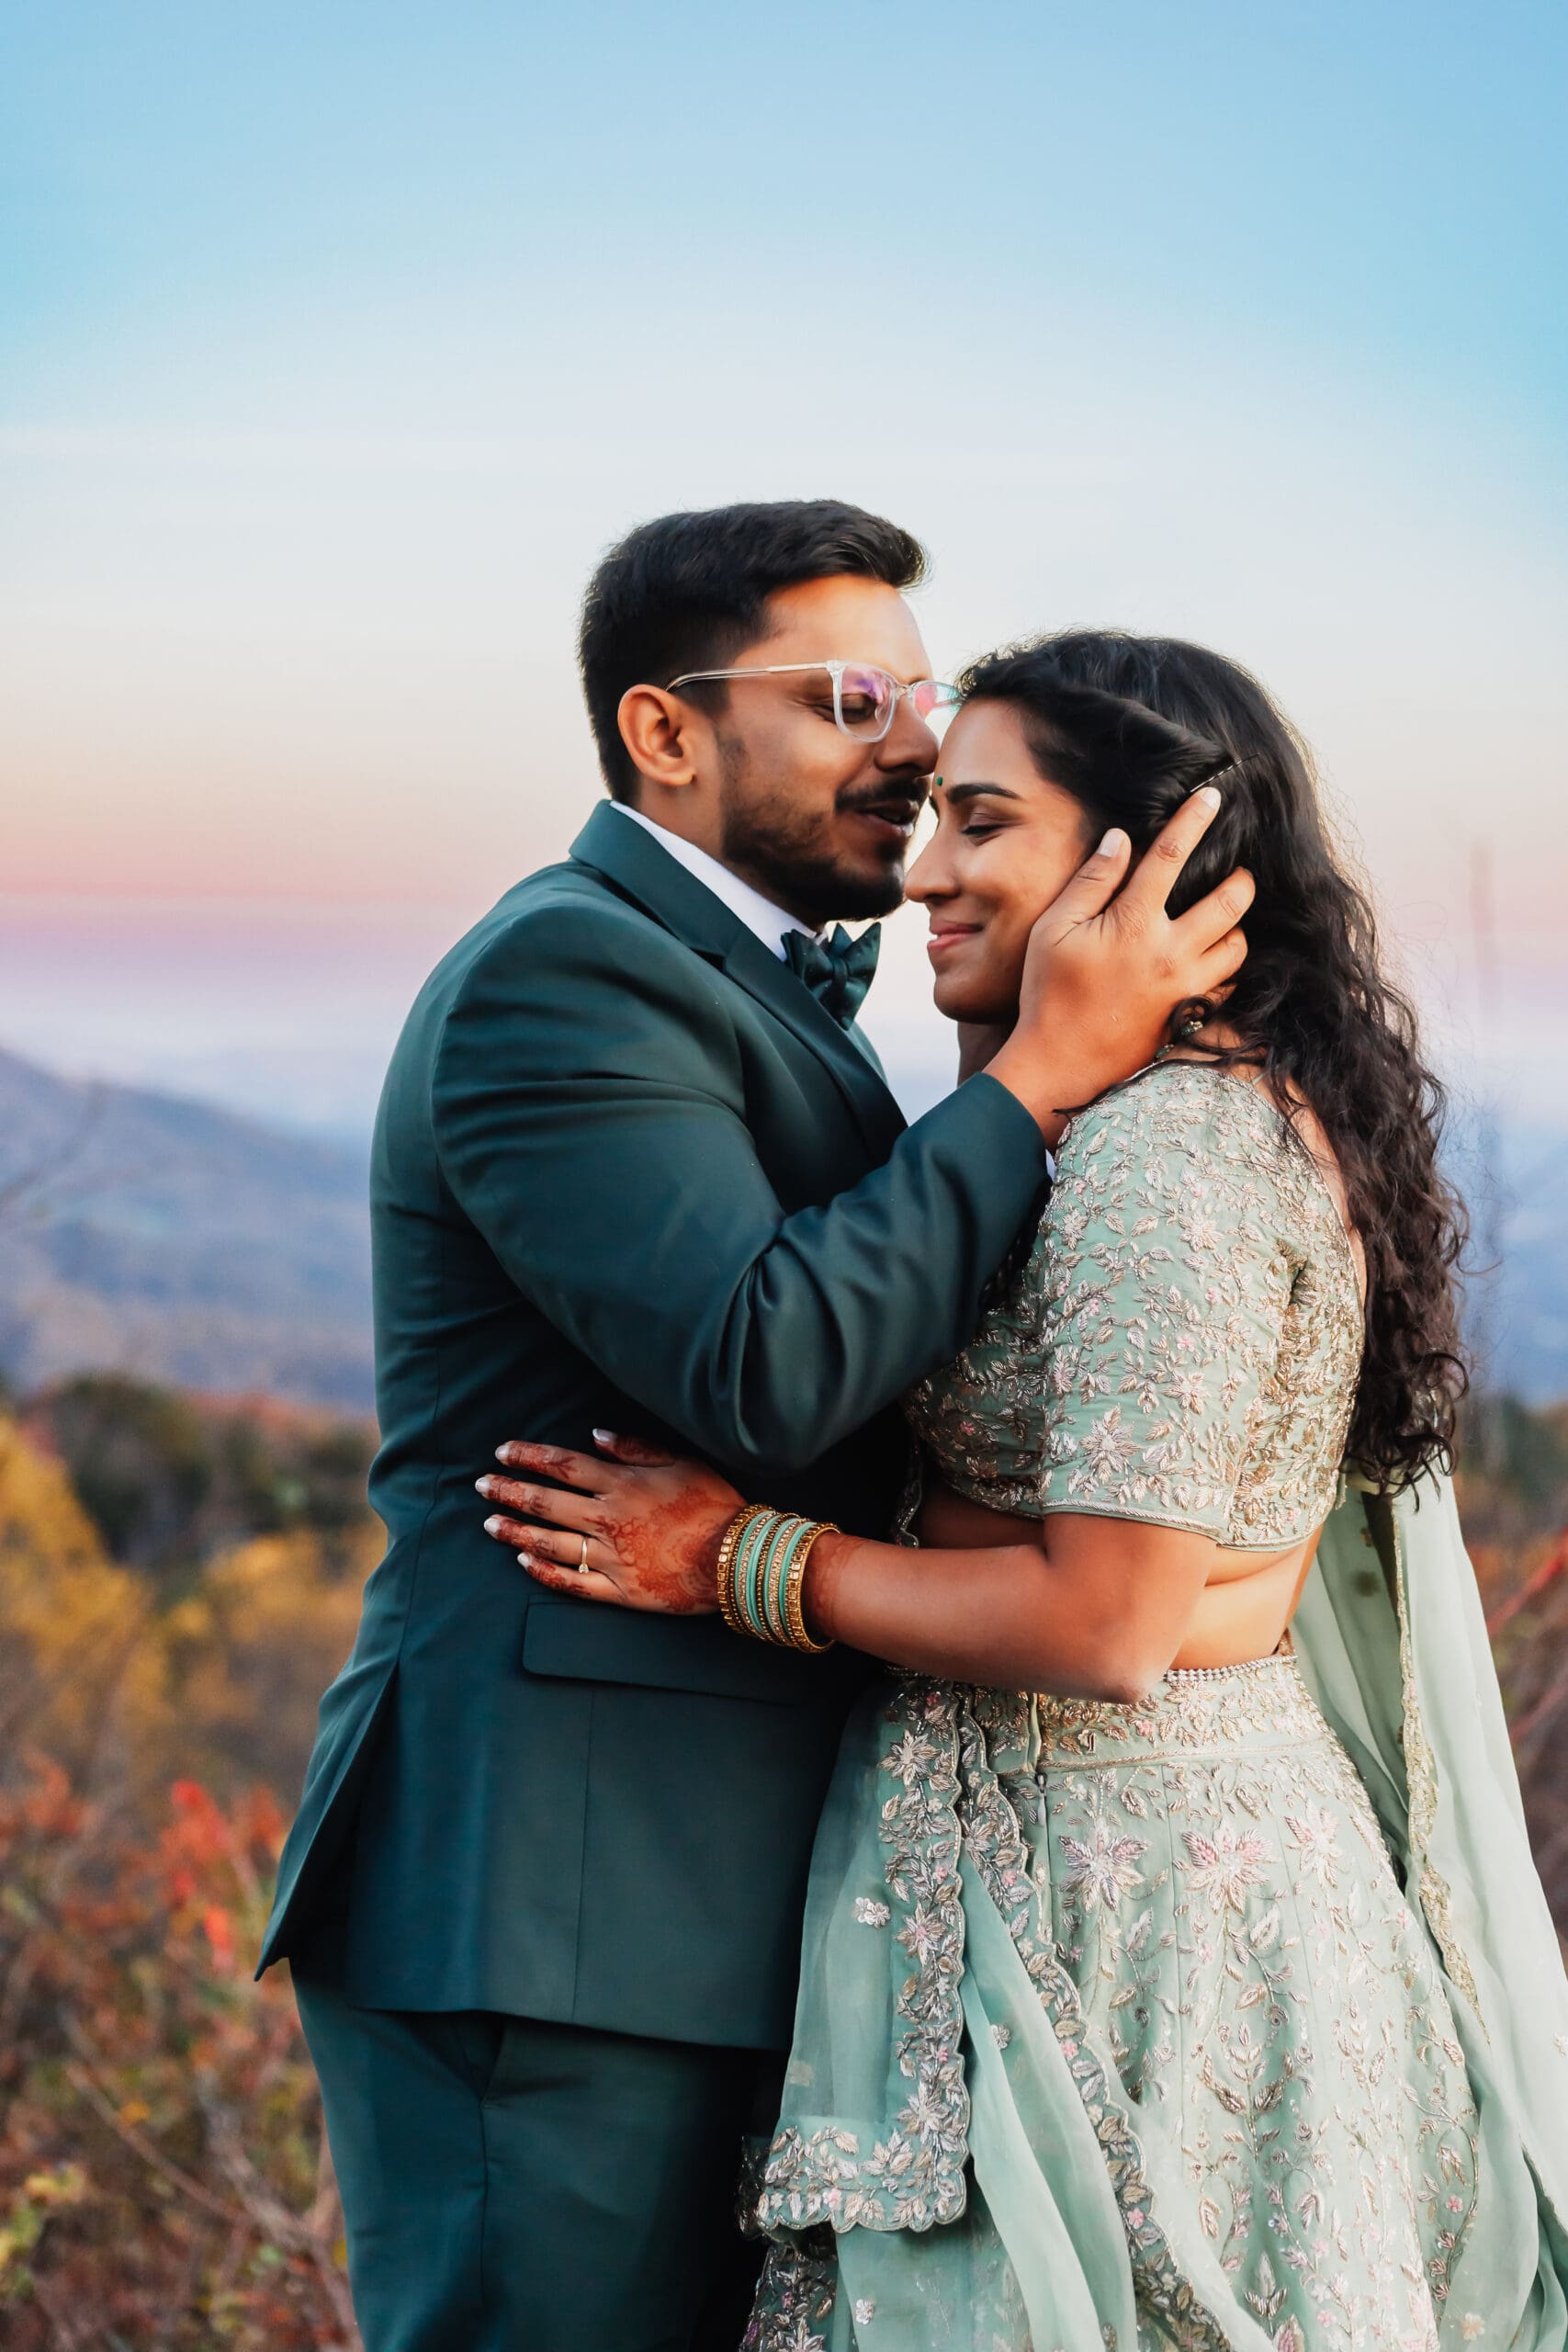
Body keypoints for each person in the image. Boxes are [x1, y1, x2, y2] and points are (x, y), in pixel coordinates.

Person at [482, 630, 1568, 2350]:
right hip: (1104, 1845)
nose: (925, 871)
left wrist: (737, 1559)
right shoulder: (1132, 1124)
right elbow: (1231, 1575)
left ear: (1149, 857)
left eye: (982, 824)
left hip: (1140, 1909)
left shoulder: (1165, 1160)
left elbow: (1109, 1618)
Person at [255, 507, 1252, 2352]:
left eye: (924, 698)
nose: (910, 744)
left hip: (713, 1899)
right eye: (851, 696)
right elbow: (767, 1359)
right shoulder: (562, 974)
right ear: (664, 732)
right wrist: (1040, 1072)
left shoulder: (751, 987)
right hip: (550, 1908)